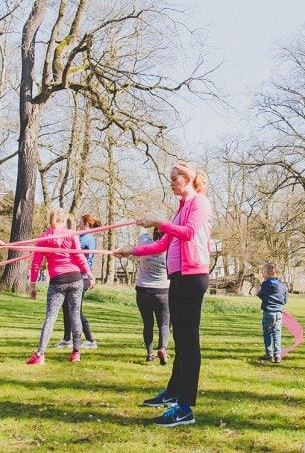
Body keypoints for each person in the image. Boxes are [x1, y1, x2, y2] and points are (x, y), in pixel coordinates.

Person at [115, 162, 212, 427]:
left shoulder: (200, 203)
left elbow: (189, 234)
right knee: (180, 339)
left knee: (188, 342)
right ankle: (173, 393)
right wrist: (131, 251)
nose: (170, 183)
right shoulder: (180, 208)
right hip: (178, 277)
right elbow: (163, 244)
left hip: (193, 277)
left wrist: (160, 222)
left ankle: (185, 409)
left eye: (173, 179)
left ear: (188, 178)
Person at [26, 211, 93, 365]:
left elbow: (36, 263)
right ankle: (76, 353)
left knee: (51, 316)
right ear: (64, 220)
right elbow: (79, 256)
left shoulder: (44, 238)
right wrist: (89, 274)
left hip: (58, 280)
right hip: (75, 278)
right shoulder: (71, 234)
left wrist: (33, 285)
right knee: (75, 315)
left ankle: (40, 354)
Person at [58, 214, 99, 350]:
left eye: (80, 222)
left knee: (76, 310)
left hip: (83, 278)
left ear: (86, 223)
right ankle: (66, 339)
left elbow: (73, 249)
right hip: (77, 276)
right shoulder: (81, 236)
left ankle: (90, 340)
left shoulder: (87, 237)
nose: (79, 225)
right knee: (66, 307)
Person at [134, 228, 169, 364]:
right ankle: (162, 348)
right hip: (162, 290)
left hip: (143, 289)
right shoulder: (168, 249)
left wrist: (144, 222)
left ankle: (150, 354)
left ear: (153, 234)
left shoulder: (145, 243)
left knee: (147, 324)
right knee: (164, 323)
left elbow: (142, 230)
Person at [257, 262, 288, 364]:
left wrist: (259, 292)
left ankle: (269, 354)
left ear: (267, 272)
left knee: (267, 334)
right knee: (277, 333)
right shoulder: (283, 285)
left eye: (264, 271)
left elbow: (261, 295)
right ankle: (278, 355)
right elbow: (285, 300)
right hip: (278, 313)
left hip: (268, 312)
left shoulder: (265, 284)